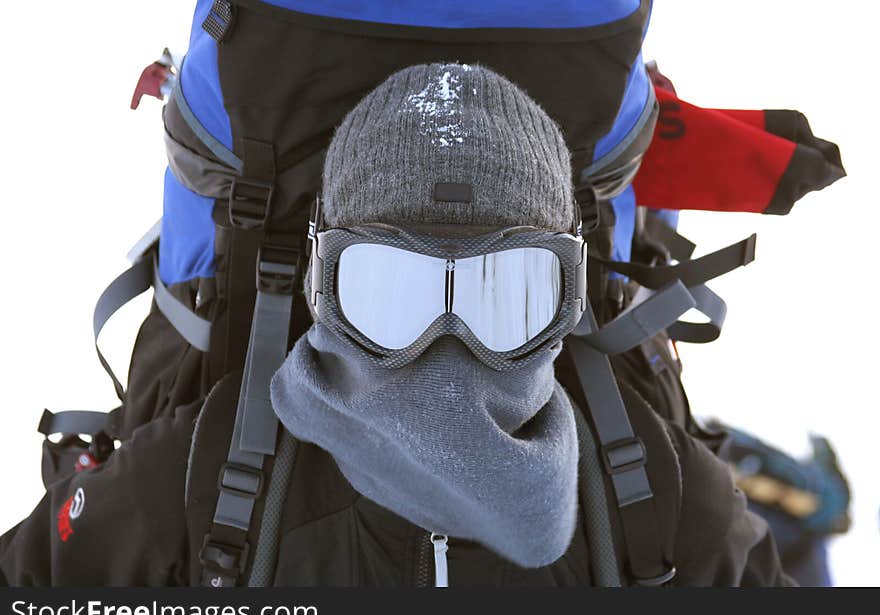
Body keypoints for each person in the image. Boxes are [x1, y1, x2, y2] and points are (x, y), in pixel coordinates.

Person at [1, 63, 792, 586]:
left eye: (506, 292)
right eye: (388, 291)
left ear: (566, 304)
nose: (446, 345)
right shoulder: (201, 479)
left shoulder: (662, 502)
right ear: (324, 288)